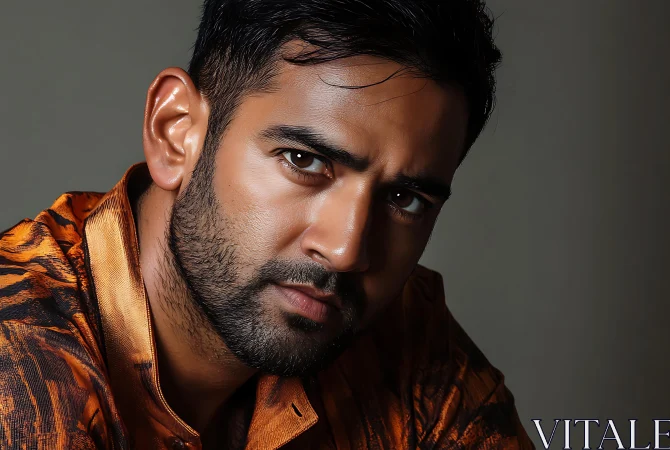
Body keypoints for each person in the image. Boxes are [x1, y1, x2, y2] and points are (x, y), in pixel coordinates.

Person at [0, 0, 533, 448]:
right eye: (304, 161)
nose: (347, 251)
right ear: (175, 133)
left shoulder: (407, 349)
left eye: (405, 198)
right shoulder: (18, 370)